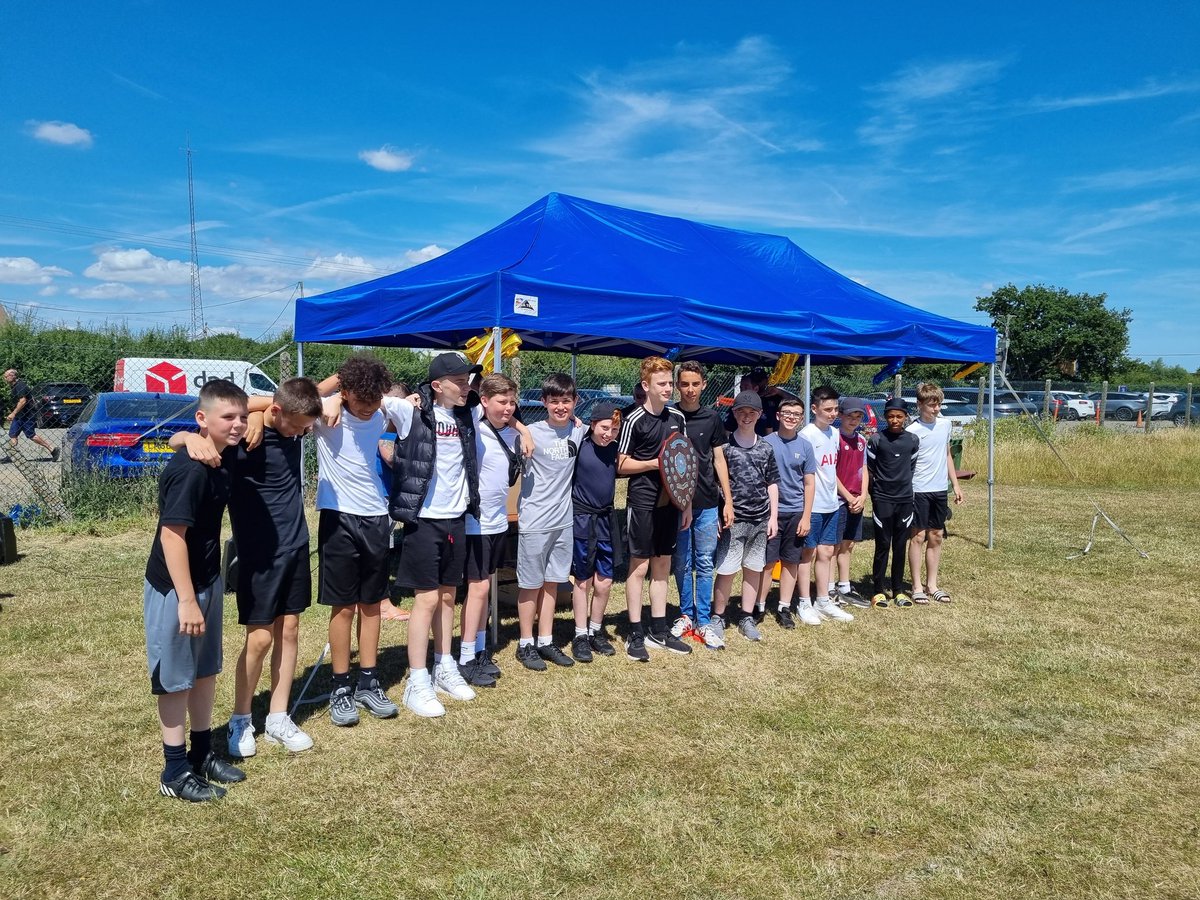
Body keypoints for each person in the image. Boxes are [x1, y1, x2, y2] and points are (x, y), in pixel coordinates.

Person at [171, 378, 324, 756]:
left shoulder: (293, 427)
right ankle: (241, 718)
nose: (302, 433)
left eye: (306, 427)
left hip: (296, 547)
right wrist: (189, 438)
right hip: (259, 554)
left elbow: (313, 395)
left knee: (289, 630)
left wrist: (273, 415)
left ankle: (277, 717)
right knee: (260, 638)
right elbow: (182, 439)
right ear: (276, 411)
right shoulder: (243, 442)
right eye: (297, 426)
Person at [142, 379, 248, 802]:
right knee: (175, 680)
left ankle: (202, 754)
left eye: (242, 417)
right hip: (176, 589)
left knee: (205, 673)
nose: (239, 424)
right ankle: (173, 769)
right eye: (229, 418)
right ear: (202, 419)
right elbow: (171, 537)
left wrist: (185, 434)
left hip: (206, 579)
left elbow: (265, 406)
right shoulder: (190, 469)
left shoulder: (223, 453)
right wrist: (186, 600)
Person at [314, 355, 411, 726]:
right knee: (343, 606)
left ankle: (368, 682)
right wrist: (336, 389)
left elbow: (420, 405)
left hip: (376, 517)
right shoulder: (326, 413)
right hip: (338, 518)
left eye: (376, 405)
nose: (371, 412)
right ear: (348, 391)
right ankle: (341, 687)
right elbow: (291, 396)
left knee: (371, 603)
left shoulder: (384, 405)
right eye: (363, 403)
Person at [389, 353, 484, 717]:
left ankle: (445, 666)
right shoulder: (412, 413)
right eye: (458, 381)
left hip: (455, 519)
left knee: (448, 598)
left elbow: (504, 407)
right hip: (423, 520)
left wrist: (522, 429)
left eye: (467, 380)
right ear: (436, 385)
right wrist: (409, 399)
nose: (466, 386)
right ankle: (417, 680)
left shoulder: (467, 414)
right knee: (426, 601)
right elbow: (373, 401)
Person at [617, 356, 692, 660]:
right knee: (640, 567)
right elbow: (621, 464)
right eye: (662, 383)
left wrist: (684, 502)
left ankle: (658, 630)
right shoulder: (634, 419)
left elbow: (685, 463)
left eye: (670, 382)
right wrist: (653, 463)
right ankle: (635, 633)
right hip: (643, 502)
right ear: (646, 386)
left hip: (671, 504)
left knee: (663, 566)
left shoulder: (678, 417)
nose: (668, 388)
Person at [514, 373, 587, 671]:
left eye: (566, 401)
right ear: (543, 402)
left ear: (574, 402)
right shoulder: (530, 430)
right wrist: (522, 428)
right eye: (554, 401)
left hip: (563, 521)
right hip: (534, 521)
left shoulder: (578, 430)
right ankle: (525, 643)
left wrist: (579, 419)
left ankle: (545, 640)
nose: (560, 407)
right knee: (530, 585)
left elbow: (606, 429)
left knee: (553, 583)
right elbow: (502, 418)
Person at [458, 373, 522, 687]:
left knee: (485, 588)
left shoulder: (512, 434)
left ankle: (481, 649)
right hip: (475, 523)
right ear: (485, 401)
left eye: (512, 402)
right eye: (501, 401)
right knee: (478, 588)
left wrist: (520, 427)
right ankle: (466, 656)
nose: (508, 408)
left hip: (498, 522)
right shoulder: (474, 431)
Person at [671, 361, 733, 650]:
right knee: (682, 563)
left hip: (708, 501)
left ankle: (704, 620)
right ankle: (686, 615)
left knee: (705, 562)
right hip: (676, 503)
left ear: (704, 385)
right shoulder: (670, 417)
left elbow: (719, 459)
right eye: (685, 384)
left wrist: (727, 501)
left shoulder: (712, 418)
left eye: (695, 383)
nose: (690, 389)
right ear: (677, 385)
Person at [710, 391, 778, 643]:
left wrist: (773, 517)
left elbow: (772, 483)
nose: (746, 417)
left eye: (752, 412)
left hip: (760, 518)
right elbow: (717, 484)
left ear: (760, 415)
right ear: (734, 414)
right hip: (733, 521)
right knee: (727, 569)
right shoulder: (725, 449)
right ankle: (718, 616)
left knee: (754, 569)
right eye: (741, 412)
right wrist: (720, 513)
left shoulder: (766, 448)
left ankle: (746, 616)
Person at [569, 400, 621, 661]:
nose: (608, 434)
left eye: (613, 430)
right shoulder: (580, 444)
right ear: (592, 424)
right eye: (604, 428)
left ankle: (595, 631)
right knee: (583, 580)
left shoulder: (614, 450)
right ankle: (579, 635)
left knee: (605, 581)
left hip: (605, 520)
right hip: (582, 520)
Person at [798, 386, 855, 624]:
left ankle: (823, 599)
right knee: (807, 554)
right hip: (812, 506)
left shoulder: (834, 434)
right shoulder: (806, 435)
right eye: (827, 409)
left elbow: (832, 471)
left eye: (835, 410)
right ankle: (804, 602)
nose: (832, 414)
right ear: (814, 408)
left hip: (832, 504)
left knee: (827, 551)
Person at [906, 382, 964, 604]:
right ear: (920, 404)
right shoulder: (912, 431)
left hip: (939, 490)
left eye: (939, 404)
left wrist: (955, 485)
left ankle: (932, 585)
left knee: (936, 536)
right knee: (918, 536)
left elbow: (947, 453)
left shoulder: (945, 425)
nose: (936, 409)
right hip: (918, 490)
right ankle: (916, 586)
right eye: (931, 405)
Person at [764, 397, 818, 628]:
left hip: (795, 512)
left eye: (796, 414)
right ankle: (758, 605)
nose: (791, 417)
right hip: (769, 513)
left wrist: (806, 516)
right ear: (778, 415)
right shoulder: (765, 443)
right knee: (766, 563)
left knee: (790, 561)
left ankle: (784, 607)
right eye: (787, 413)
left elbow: (809, 483)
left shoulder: (805, 446)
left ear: (802, 418)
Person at [866, 398, 919, 608]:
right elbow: (870, 469)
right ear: (885, 417)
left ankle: (898, 590)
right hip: (882, 499)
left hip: (905, 500)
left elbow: (911, 467)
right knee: (883, 545)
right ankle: (878, 590)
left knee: (900, 545)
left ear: (905, 417)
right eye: (890, 416)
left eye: (899, 416)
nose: (894, 420)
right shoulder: (877, 439)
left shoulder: (913, 440)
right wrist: (875, 495)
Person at [376, 380, 412, 623]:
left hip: (386, 494)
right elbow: (390, 457)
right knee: (380, 551)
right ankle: (382, 603)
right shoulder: (388, 429)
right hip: (382, 495)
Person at [833, 397, 871, 608]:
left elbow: (864, 469)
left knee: (849, 543)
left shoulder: (862, 440)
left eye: (858, 417)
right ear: (840, 416)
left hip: (857, 499)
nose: (854, 420)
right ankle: (829, 588)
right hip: (838, 500)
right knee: (834, 546)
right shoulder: (834, 439)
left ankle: (845, 586)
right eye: (850, 416)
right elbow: (831, 473)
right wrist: (847, 496)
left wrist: (862, 495)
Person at [3, 368, 58, 461]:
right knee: (12, 434)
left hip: (28, 415)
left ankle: (52, 449)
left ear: (13, 376)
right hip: (20, 415)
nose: (4, 378)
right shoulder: (14, 386)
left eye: (6, 376)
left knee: (31, 435)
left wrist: (13, 413)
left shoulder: (20, 385)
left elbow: (23, 401)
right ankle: (12, 455)